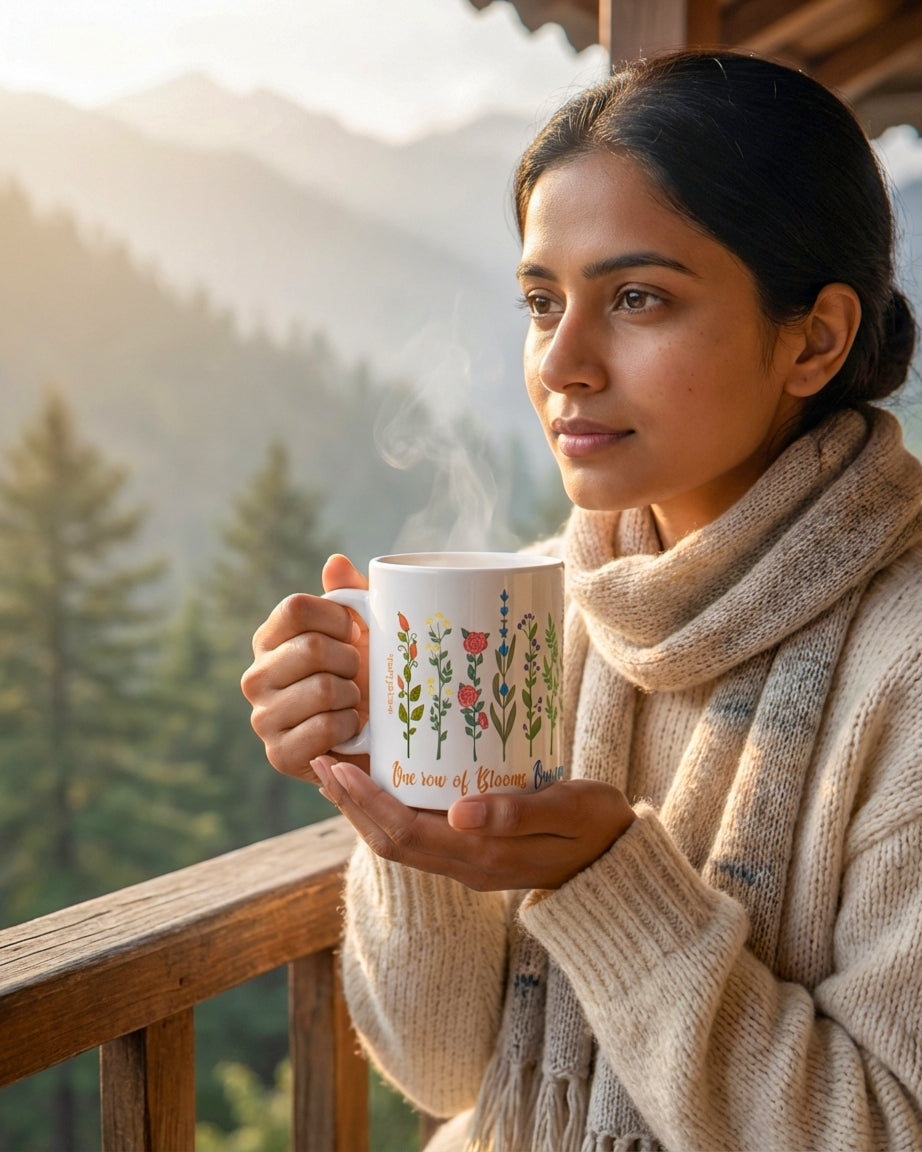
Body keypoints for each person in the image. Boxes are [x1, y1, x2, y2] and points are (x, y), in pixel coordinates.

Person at [241, 50, 922, 1151]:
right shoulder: (535, 617)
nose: (561, 361)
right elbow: (445, 1068)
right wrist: (405, 793)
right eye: (541, 301)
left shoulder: (903, 668)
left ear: (815, 338)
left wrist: (610, 884)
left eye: (638, 298)